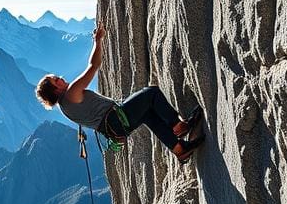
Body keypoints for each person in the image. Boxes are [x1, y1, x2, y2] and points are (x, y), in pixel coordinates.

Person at [35, 23, 205, 163]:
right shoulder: (71, 93)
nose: (60, 78)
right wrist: (98, 41)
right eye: (56, 79)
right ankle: (178, 126)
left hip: (114, 129)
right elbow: (93, 66)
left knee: (148, 115)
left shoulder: (65, 107)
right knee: (151, 93)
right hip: (117, 118)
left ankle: (179, 149)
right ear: (55, 89)